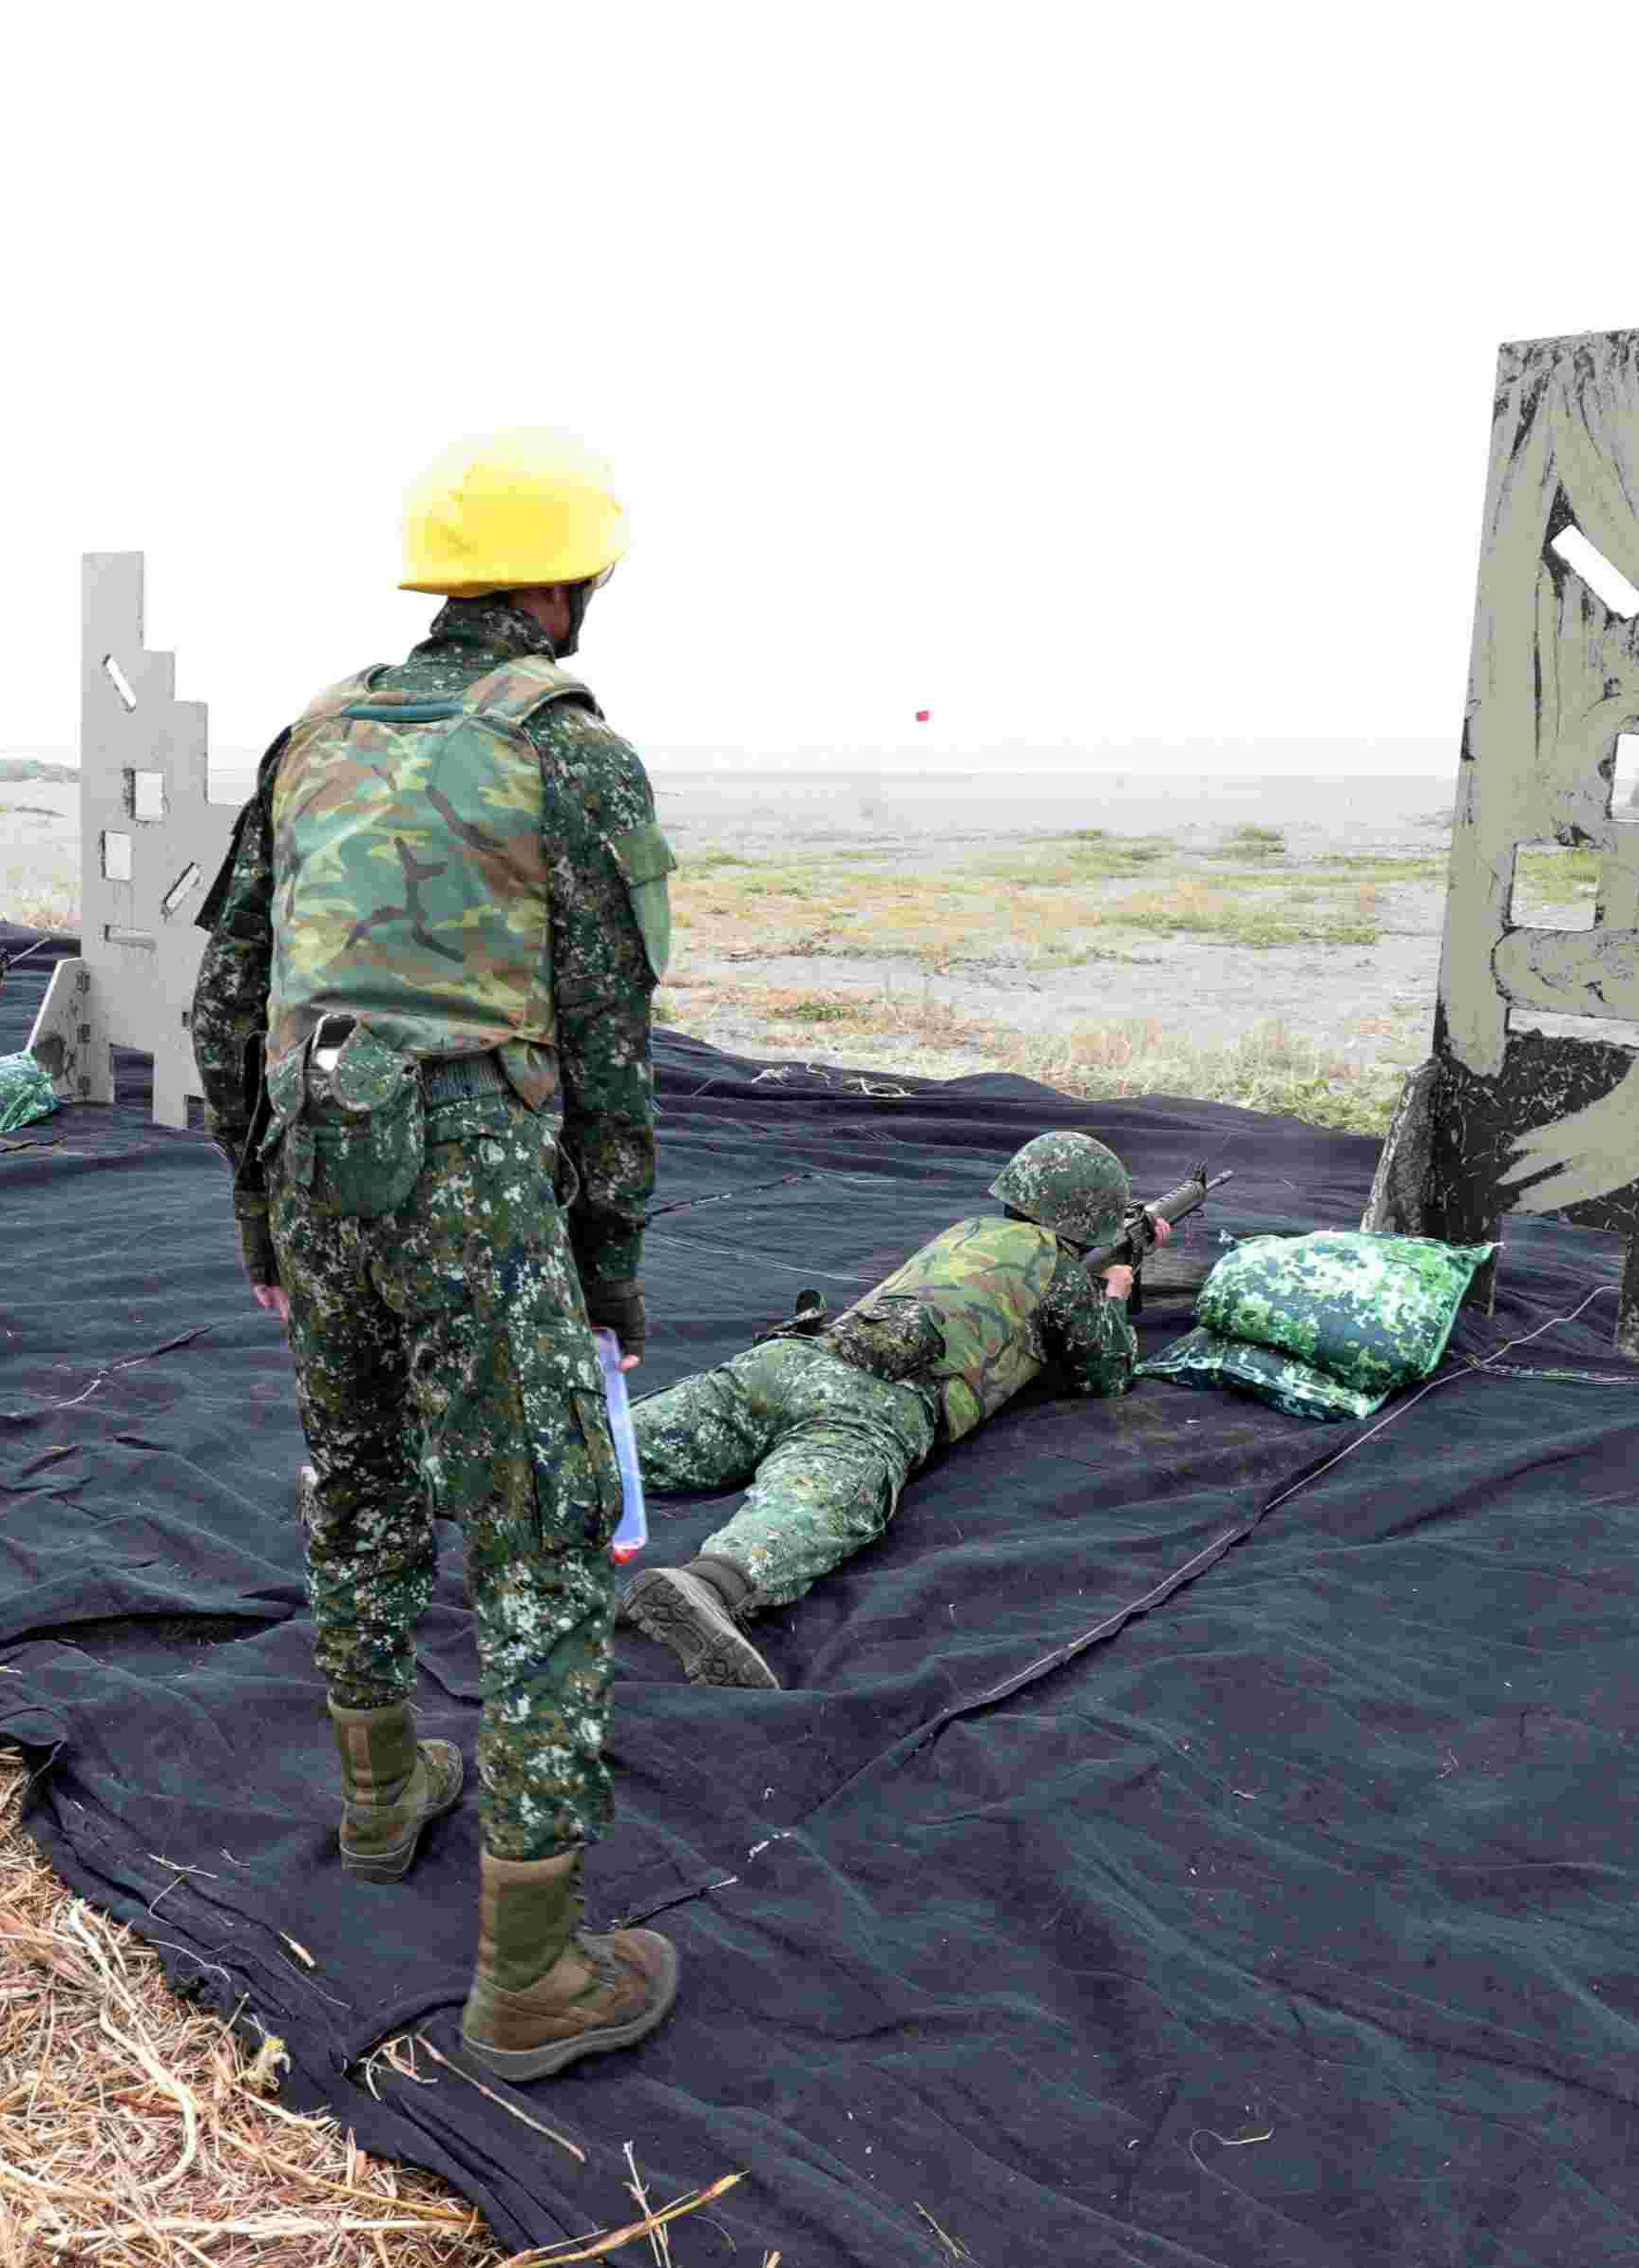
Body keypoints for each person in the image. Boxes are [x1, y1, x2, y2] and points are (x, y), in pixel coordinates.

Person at [185, 427, 679, 2084]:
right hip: (473, 1180)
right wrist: (610, 1275)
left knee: (358, 1474)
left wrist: (266, 1210)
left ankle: (383, 1796)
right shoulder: (567, 755)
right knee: (541, 1538)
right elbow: (609, 1052)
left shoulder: (313, 735)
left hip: (316, 1161)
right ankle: (534, 1981)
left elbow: (224, 996)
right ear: (561, 580)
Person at [616, 1134, 1168, 1691]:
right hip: (880, 1403)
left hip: (795, 1358)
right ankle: (711, 1586)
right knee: (816, 1503)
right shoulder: (1063, 1276)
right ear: (1091, 1218)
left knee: (617, 1445)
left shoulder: (965, 1233)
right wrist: (1116, 1290)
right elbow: (1105, 1375)